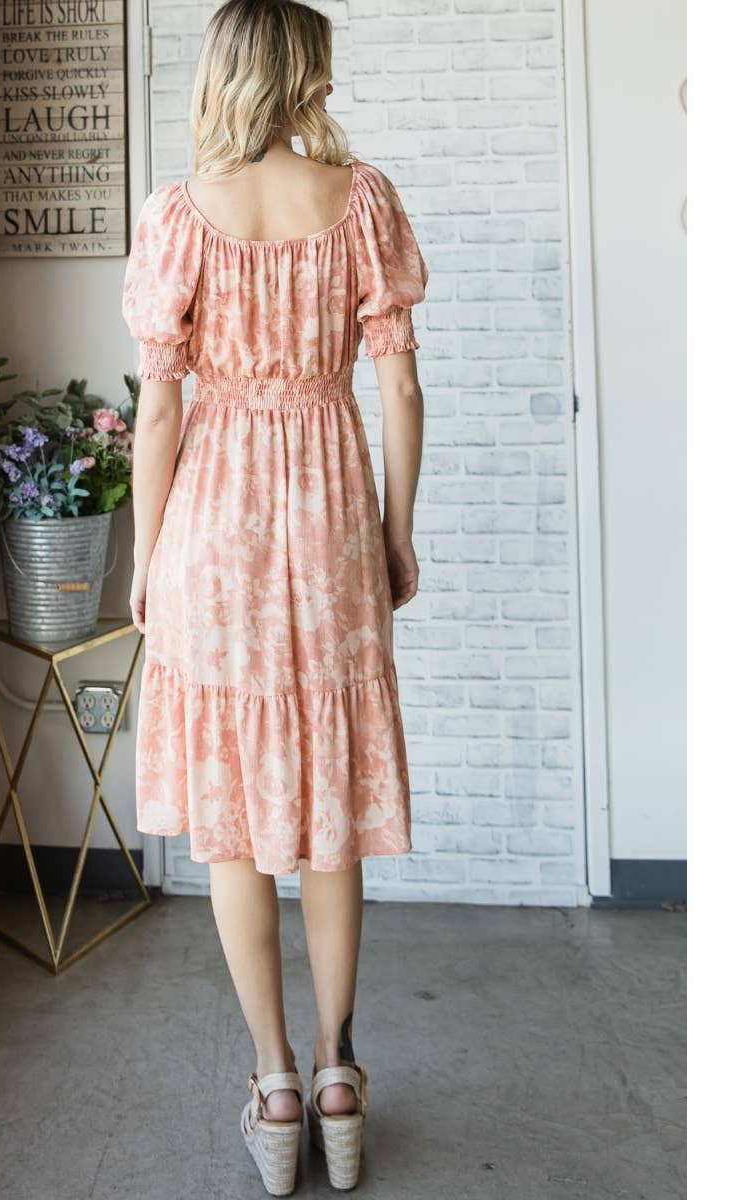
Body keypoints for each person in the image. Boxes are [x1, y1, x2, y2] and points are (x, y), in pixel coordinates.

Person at [121, 1, 426, 1192]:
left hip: (214, 530)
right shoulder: (363, 201)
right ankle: (343, 1070)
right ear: (305, 74)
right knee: (333, 802)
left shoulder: (179, 213)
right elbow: (400, 391)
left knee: (237, 816)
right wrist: (396, 532)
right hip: (332, 519)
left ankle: (277, 1079)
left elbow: (158, 412)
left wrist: (147, 559)